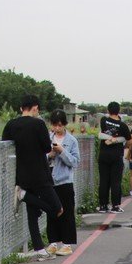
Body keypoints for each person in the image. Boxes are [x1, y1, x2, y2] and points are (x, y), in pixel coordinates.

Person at [2, 94, 64, 260]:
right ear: (35, 108)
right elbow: (46, 148)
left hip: (22, 173)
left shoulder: (11, 124)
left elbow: (5, 143)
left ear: (21, 108)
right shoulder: (38, 124)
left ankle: (39, 249)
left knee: (32, 212)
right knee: (57, 209)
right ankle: (23, 195)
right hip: (40, 173)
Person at [46, 109, 79, 256]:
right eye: (55, 125)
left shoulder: (71, 141)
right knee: (51, 212)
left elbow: (75, 162)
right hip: (49, 181)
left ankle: (67, 244)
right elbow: (42, 157)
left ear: (65, 124)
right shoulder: (47, 138)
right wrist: (50, 155)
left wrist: (62, 151)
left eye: (60, 125)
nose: (57, 128)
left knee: (67, 212)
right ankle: (53, 242)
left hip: (65, 181)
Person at [98, 102, 128, 212]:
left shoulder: (103, 120)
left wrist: (109, 139)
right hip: (116, 156)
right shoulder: (123, 125)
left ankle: (103, 206)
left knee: (103, 181)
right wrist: (117, 139)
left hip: (103, 155)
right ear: (119, 111)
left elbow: (101, 133)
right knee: (116, 182)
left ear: (108, 110)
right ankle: (115, 206)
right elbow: (128, 139)